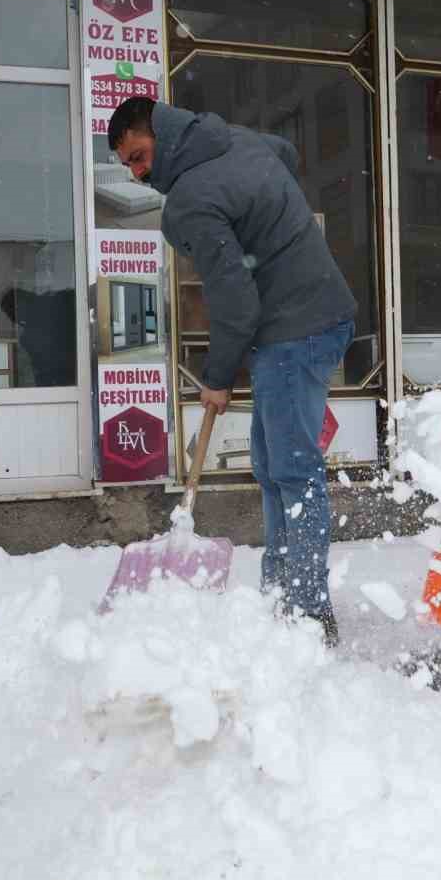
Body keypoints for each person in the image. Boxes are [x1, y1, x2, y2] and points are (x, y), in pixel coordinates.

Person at [108, 97, 357, 646]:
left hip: (293, 328)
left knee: (292, 471)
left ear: (162, 139)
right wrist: (269, 224)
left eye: (139, 156)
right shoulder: (235, 137)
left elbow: (235, 303)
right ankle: (280, 591)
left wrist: (216, 378)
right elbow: (285, 154)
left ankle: (309, 615)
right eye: (128, 165)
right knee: (273, 465)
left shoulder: (190, 201)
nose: (138, 172)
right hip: (321, 313)